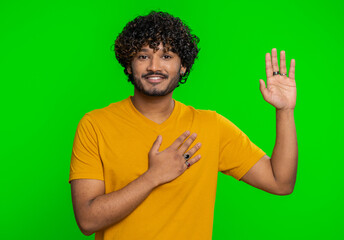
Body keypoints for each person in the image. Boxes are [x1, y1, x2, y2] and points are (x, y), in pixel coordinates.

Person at [68, 11, 298, 239]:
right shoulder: (95, 125)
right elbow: (88, 221)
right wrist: (153, 177)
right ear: (128, 65)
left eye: (167, 56)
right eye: (143, 56)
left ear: (183, 66)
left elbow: (281, 182)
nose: (154, 66)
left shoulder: (211, 126)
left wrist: (285, 111)